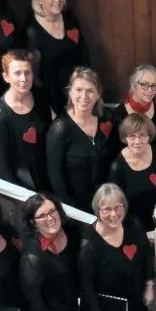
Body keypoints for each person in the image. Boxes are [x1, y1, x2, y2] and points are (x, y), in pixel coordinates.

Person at [80, 184, 153, 311]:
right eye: (107, 209)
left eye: (118, 207)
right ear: (98, 210)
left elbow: (146, 254)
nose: (113, 214)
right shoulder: (89, 242)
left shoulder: (133, 224)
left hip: (133, 293)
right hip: (108, 302)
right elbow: (86, 283)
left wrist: (149, 285)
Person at [19, 193, 88, 311]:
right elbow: (31, 294)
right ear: (33, 222)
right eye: (42, 216)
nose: (49, 218)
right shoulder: (32, 255)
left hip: (71, 303)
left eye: (52, 211)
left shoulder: (71, 231)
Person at [46, 67, 115, 212]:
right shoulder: (60, 128)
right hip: (75, 207)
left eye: (90, 90)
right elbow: (56, 178)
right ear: (70, 92)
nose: (84, 96)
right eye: (78, 90)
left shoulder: (107, 118)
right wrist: (72, 211)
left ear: (98, 95)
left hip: (106, 202)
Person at [24, 0, 91, 117]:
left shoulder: (70, 18)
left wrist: (90, 87)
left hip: (79, 89)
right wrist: (47, 107)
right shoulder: (32, 31)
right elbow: (34, 75)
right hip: (53, 96)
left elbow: (83, 53)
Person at [0, 50, 52, 190]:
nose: (24, 79)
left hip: (46, 172)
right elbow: (2, 164)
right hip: (23, 181)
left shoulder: (41, 97)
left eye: (27, 72)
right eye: (17, 73)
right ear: (6, 77)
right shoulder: (0, 116)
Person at [108, 113, 156, 230]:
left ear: (149, 136)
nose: (137, 141)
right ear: (125, 138)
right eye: (132, 136)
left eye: (142, 135)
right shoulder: (117, 166)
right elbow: (116, 204)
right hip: (129, 223)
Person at [111, 64, 156, 158]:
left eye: (154, 85)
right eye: (144, 84)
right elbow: (114, 152)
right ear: (133, 85)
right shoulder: (119, 115)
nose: (150, 90)